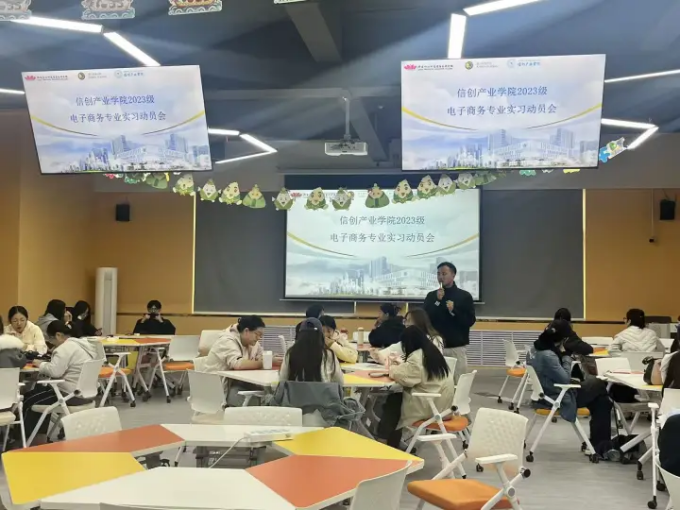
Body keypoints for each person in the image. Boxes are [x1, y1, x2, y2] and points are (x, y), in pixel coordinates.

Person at [528, 320, 613, 455]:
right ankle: (600, 446)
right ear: (563, 339)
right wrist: (567, 357)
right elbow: (565, 379)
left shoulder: (534, 349)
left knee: (602, 401)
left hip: (543, 393)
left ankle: (599, 445)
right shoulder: (549, 356)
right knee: (599, 385)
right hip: (558, 396)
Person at [377, 326, 454, 449]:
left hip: (431, 406)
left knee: (394, 401)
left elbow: (405, 378)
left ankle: (382, 441)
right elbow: (416, 373)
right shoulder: (432, 352)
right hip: (444, 406)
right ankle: (391, 443)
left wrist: (392, 368)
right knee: (396, 402)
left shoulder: (417, 356)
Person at [22, 321, 98, 444]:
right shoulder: (82, 345)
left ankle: (26, 441)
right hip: (87, 394)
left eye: (50, 339)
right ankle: (40, 438)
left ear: (58, 335)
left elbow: (55, 371)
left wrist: (41, 364)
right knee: (37, 395)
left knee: (28, 401)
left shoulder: (64, 348)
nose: (51, 343)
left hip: (69, 394)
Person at [424, 262, 476, 380]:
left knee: (457, 381)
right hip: (435, 347)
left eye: (444, 274)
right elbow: (426, 317)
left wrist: (454, 311)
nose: (440, 277)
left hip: (456, 347)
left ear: (453, 275)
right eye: (438, 274)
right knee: (435, 381)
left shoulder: (464, 296)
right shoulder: (432, 296)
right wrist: (437, 301)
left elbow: (470, 321)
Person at [203, 315, 266, 406]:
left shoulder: (252, 342)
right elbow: (238, 364)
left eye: (261, 335)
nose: (259, 338)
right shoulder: (227, 341)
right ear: (246, 331)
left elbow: (261, 356)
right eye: (257, 334)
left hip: (235, 383)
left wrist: (266, 359)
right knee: (262, 402)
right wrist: (264, 362)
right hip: (218, 390)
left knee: (265, 393)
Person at [280, 318, 344, 384]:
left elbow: (282, 381)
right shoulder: (329, 354)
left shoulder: (290, 353)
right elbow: (340, 382)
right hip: (322, 391)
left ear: (300, 336)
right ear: (321, 336)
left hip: (295, 391)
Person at [371, 308, 443, 365]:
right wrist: (378, 355)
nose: (406, 324)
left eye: (409, 321)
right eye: (405, 321)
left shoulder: (435, 340)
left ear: (419, 322)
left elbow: (424, 362)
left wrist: (400, 362)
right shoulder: (407, 340)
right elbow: (391, 349)